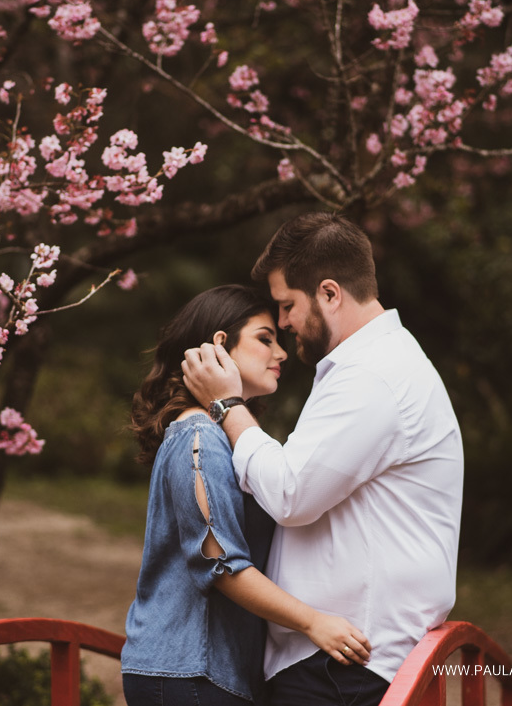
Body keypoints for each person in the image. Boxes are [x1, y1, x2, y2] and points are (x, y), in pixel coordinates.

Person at [182, 213, 464, 706]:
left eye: (288, 305)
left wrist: (227, 407)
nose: (285, 322)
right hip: (341, 655)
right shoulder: (370, 365)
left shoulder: (372, 376)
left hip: (347, 663)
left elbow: (291, 493)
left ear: (330, 294)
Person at [121, 284, 371, 706]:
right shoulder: (198, 436)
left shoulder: (222, 437)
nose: (282, 353)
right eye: (264, 338)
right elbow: (221, 565)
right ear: (221, 345)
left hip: (209, 673)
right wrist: (314, 623)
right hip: (188, 671)